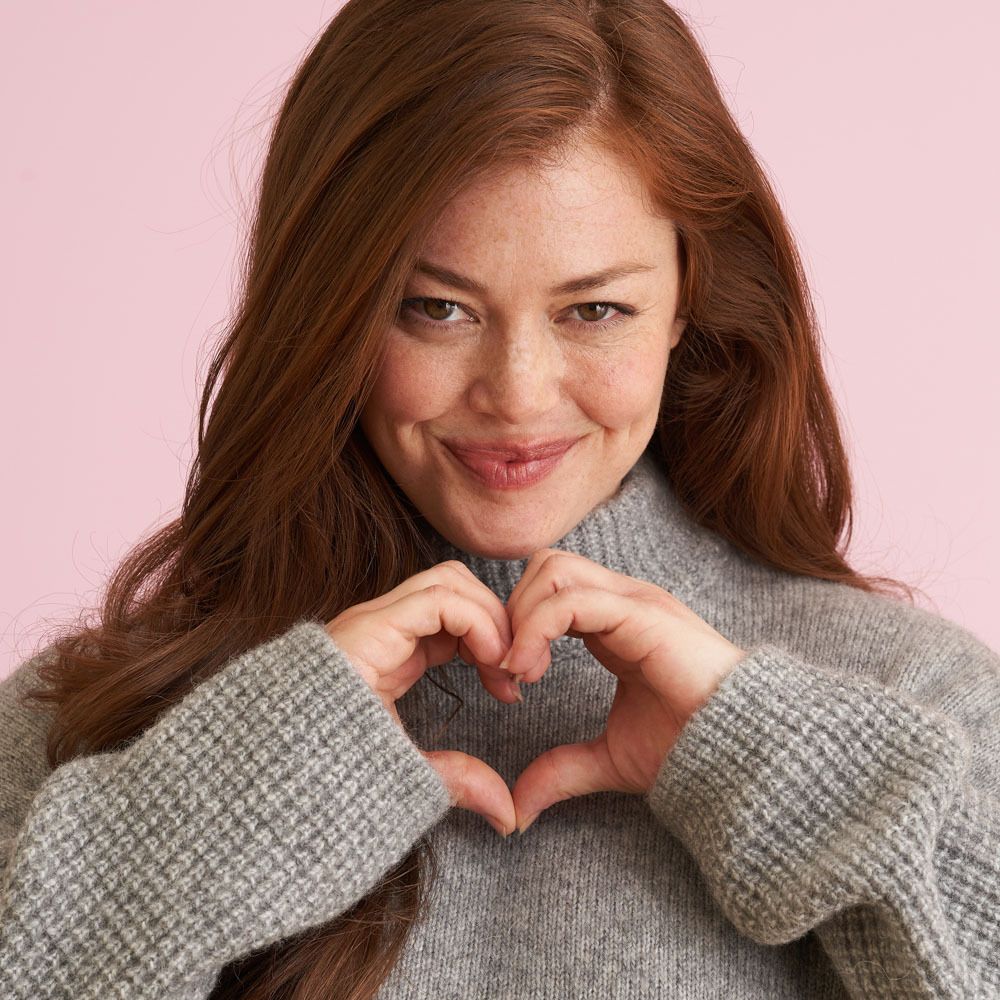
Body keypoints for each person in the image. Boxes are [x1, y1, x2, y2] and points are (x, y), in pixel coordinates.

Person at [1, 0, 997, 997]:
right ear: (332, 308)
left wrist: (793, 769)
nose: (517, 395)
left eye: (594, 308)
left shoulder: (923, 702)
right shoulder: (92, 725)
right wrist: (237, 798)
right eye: (436, 308)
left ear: (686, 298)